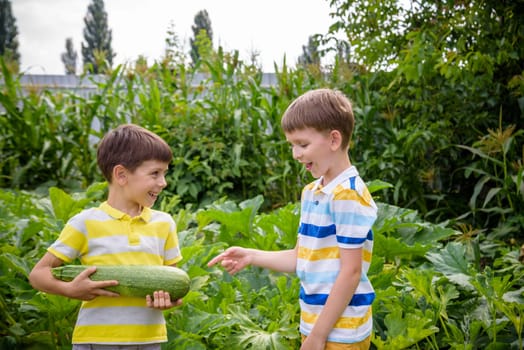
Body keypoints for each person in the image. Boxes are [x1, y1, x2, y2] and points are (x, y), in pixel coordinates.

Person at [208, 88, 377, 350]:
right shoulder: (313, 192)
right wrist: (251, 256)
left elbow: (351, 272)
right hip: (314, 325)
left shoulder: (347, 195)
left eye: (303, 144)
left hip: (341, 332)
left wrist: (319, 336)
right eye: (292, 146)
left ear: (334, 140)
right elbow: (302, 258)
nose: (296, 154)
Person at [29, 124, 183, 350]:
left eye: (164, 173)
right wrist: (70, 290)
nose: (163, 182)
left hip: (148, 341)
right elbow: (38, 275)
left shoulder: (164, 224)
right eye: (155, 173)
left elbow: (175, 281)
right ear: (121, 174)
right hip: (95, 341)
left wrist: (170, 300)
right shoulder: (85, 223)